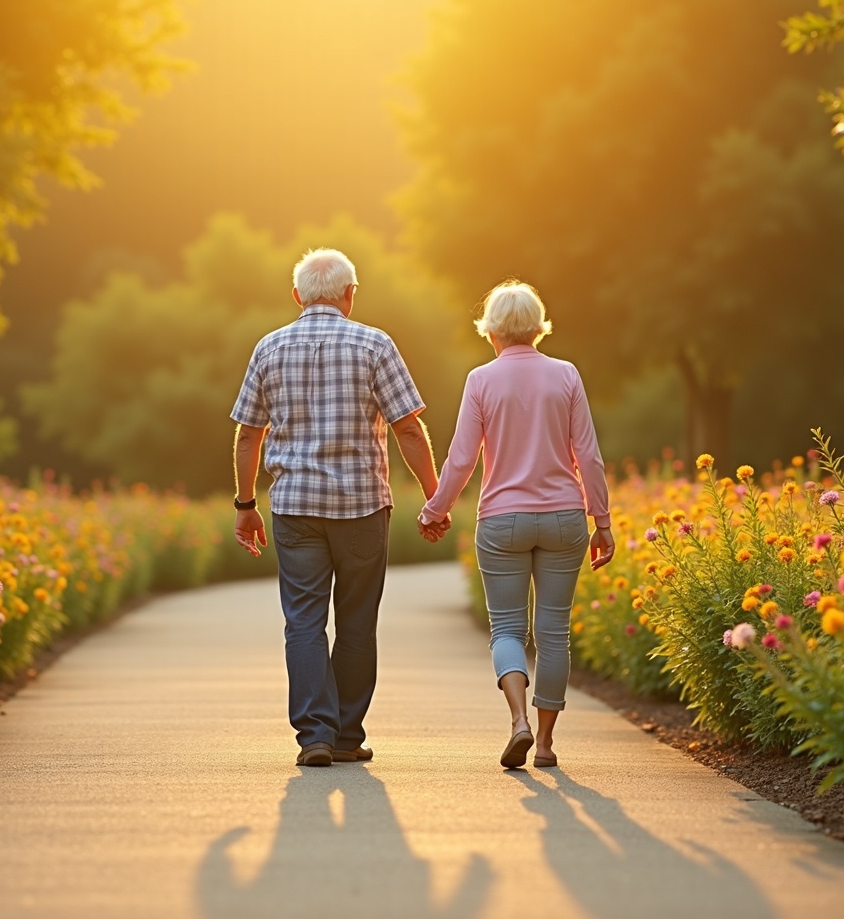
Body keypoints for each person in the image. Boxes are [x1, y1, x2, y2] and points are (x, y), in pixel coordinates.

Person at [229, 248, 446, 768]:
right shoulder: (375, 344)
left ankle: (314, 736)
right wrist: (436, 498)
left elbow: (249, 434)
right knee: (356, 623)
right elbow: (408, 429)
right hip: (362, 509)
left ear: (297, 295)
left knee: (303, 621)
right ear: (350, 295)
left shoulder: (268, 347)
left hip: (295, 508)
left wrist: (245, 503)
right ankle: (346, 734)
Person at [418, 282, 614, 769]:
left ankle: (518, 721)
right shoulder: (566, 375)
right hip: (564, 518)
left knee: (507, 628)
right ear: (537, 328)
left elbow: (462, 459)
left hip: (502, 520)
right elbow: (588, 455)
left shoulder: (481, 380)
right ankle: (545, 743)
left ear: (491, 332)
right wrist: (602, 521)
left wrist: (434, 510)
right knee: (553, 632)